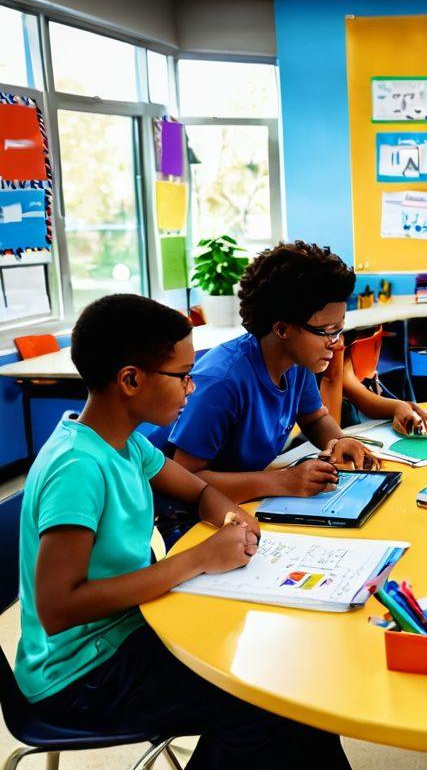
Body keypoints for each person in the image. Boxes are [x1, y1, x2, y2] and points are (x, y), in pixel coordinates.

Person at [17, 294, 351, 769]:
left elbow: (198, 492)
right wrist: (197, 559)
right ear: (131, 380)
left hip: (131, 630)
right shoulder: (79, 467)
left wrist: (233, 518)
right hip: (80, 677)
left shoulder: (124, 443)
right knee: (266, 704)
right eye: (182, 376)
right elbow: (58, 608)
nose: (192, 388)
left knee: (290, 685)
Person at [163, 242, 399, 504]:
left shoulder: (296, 363)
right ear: (282, 329)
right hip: (191, 515)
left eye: (339, 329)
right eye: (326, 331)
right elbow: (184, 479)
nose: (335, 342)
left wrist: (339, 441)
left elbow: (315, 418)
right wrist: (283, 481)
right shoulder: (223, 382)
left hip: (247, 498)